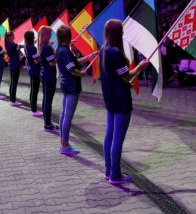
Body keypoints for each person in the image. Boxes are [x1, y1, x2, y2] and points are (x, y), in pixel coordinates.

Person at [99, 19, 149, 184]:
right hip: (120, 101)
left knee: (109, 136)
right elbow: (127, 77)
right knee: (118, 138)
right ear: (117, 33)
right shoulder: (115, 52)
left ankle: (108, 171)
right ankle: (115, 175)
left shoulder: (103, 50)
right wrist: (140, 67)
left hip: (110, 100)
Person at [56, 24, 99, 155]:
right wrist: (83, 74)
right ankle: (64, 145)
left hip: (65, 84)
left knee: (64, 114)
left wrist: (89, 56)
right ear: (68, 37)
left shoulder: (59, 49)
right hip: (71, 85)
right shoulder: (66, 51)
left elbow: (74, 62)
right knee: (68, 116)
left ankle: (63, 142)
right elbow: (73, 70)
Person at [38, 26, 59, 131]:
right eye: (50, 34)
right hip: (49, 75)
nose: (51, 35)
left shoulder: (42, 45)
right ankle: (48, 124)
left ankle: (46, 121)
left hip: (43, 73)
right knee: (48, 101)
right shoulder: (46, 48)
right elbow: (52, 63)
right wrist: (57, 56)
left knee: (45, 99)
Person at [24, 30, 43, 116]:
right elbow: (36, 61)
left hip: (31, 69)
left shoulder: (26, 46)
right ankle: (34, 110)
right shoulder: (32, 48)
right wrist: (41, 56)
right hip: (35, 70)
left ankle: (32, 107)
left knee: (32, 90)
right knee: (35, 90)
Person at [5, 31, 24, 106]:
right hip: (14, 64)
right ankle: (13, 100)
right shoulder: (10, 45)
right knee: (14, 83)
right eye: (13, 36)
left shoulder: (10, 44)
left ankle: (12, 98)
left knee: (13, 82)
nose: (14, 37)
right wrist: (31, 42)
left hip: (13, 64)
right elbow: (21, 46)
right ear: (9, 37)